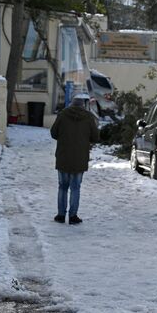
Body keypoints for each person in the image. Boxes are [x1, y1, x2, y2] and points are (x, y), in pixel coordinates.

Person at [50, 94, 99, 225]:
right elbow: (95, 136)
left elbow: (53, 133)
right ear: (83, 106)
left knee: (62, 187)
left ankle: (61, 215)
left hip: (63, 156)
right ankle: (73, 216)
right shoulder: (88, 117)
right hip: (80, 158)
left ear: (71, 104)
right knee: (75, 188)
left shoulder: (62, 115)